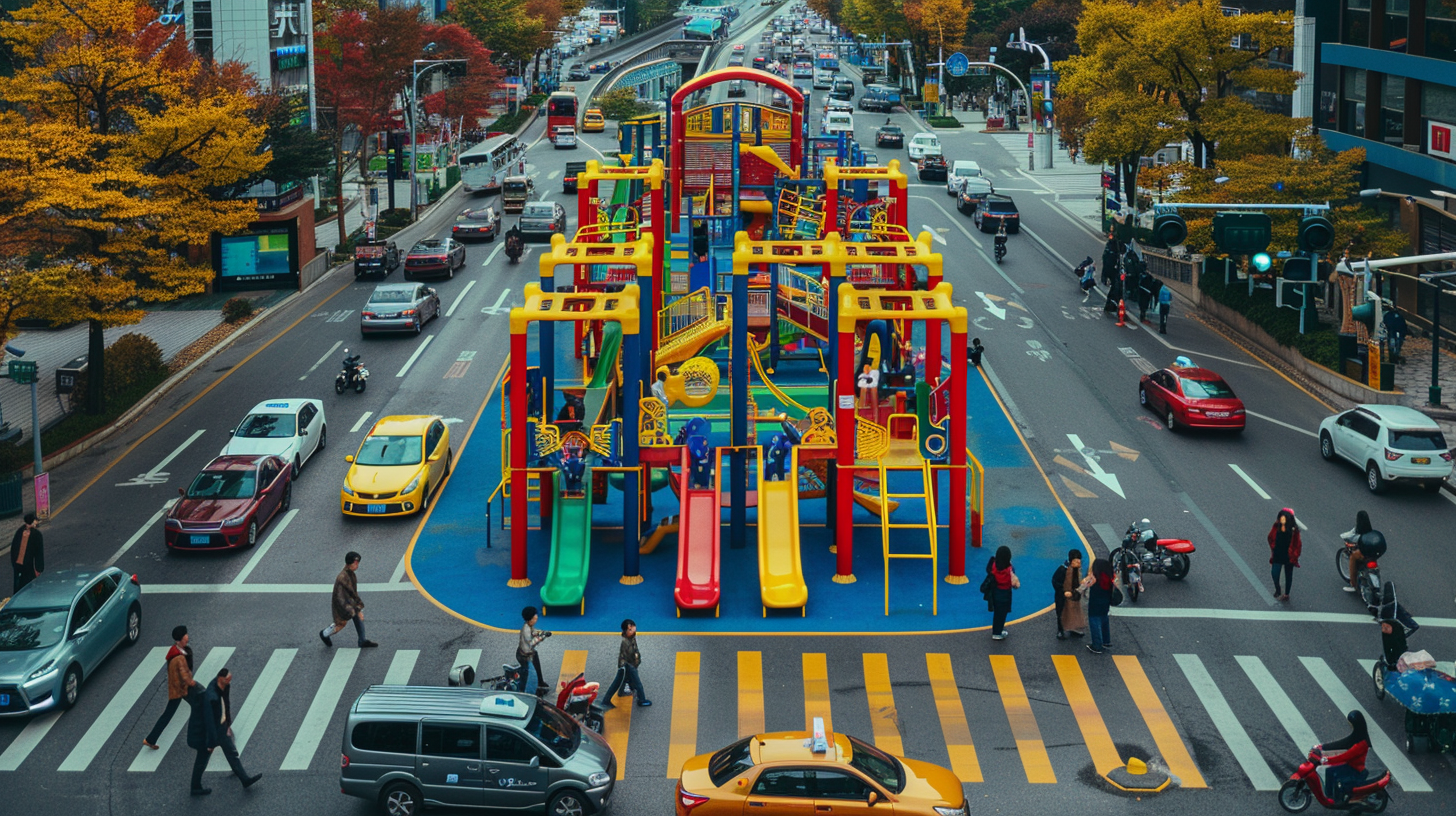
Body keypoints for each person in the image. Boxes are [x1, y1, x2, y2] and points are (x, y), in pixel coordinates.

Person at [186, 668, 261, 795]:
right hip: (209, 732)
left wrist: (227, 724)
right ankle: (195, 787)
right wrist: (210, 743)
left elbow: (226, 704)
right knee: (202, 760)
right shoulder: (211, 696)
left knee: (231, 752)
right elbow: (209, 721)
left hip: (221, 726)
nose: (229, 682)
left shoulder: (223, 686)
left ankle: (244, 779)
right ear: (220, 678)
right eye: (227, 680)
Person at [143, 625, 199, 750]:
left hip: (179, 688)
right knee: (198, 706)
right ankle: (202, 735)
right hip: (180, 689)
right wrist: (191, 682)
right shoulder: (178, 657)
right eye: (185, 634)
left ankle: (151, 739)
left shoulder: (178, 651)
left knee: (169, 714)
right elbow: (184, 674)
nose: (187, 636)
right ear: (180, 638)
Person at [320, 552, 377, 648]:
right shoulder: (344, 577)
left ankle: (362, 640)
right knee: (341, 624)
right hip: (342, 604)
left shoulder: (349, 574)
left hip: (347, 602)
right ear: (352, 563)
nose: (357, 565)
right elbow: (351, 594)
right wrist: (358, 609)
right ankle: (325, 633)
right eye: (356, 563)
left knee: (357, 616)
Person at [1317, 711, 1371, 805]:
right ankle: (1330, 797)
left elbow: (1344, 757)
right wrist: (1323, 747)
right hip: (1351, 766)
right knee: (1329, 772)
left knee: (1338, 780)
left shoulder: (1361, 744)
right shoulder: (1357, 736)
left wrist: (1327, 760)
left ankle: (1339, 802)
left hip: (1356, 770)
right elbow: (1343, 743)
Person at [600, 619, 652, 708]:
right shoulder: (625, 642)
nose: (633, 630)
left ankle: (617, 694)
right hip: (628, 666)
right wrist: (633, 664)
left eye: (633, 628)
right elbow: (628, 655)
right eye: (630, 629)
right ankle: (642, 699)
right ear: (626, 631)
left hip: (628, 665)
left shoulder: (631, 638)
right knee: (637, 683)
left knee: (622, 681)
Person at [1267, 507, 1302, 602]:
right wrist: (1274, 548)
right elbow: (1270, 537)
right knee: (1274, 573)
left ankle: (1286, 593)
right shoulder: (1276, 526)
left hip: (1289, 557)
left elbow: (1297, 545)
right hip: (1278, 554)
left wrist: (1294, 556)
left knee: (1288, 575)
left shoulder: (1294, 531)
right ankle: (1278, 589)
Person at [986, 546, 1019, 641]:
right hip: (1005, 593)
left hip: (995, 591)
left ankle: (997, 629)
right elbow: (1014, 583)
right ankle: (997, 632)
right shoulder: (1009, 569)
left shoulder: (993, 564)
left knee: (997, 612)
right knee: (1002, 614)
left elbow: (988, 570)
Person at [1051, 550, 1085, 639]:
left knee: (1074, 611)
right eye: (1076, 560)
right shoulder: (1062, 569)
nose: (1078, 562)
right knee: (1061, 612)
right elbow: (1055, 581)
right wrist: (1063, 591)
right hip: (1062, 596)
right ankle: (1060, 630)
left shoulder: (1077, 569)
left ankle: (1073, 627)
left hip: (1074, 594)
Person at [516, 607, 551, 695]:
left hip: (530, 653)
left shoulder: (529, 626)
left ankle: (540, 682)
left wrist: (542, 633)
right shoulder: (526, 630)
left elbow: (534, 632)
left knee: (536, 664)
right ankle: (529, 691)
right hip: (525, 656)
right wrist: (542, 637)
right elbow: (531, 643)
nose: (536, 619)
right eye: (535, 618)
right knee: (531, 675)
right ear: (530, 619)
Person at [1085, 558, 1115, 654]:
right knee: (1104, 619)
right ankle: (1106, 641)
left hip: (1095, 602)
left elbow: (1084, 585)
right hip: (1106, 602)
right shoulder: (1110, 577)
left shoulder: (1095, 578)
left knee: (1094, 621)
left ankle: (1097, 645)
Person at [1341, 511, 1375, 593]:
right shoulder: (1370, 531)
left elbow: (1352, 539)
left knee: (1353, 557)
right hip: (1374, 552)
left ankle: (1353, 584)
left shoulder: (1359, 532)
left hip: (1364, 553)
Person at [11, 511, 44, 594]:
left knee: (19, 587)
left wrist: (14, 564)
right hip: (28, 566)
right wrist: (39, 568)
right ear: (33, 521)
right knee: (29, 588)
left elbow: (13, 548)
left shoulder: (20, 531)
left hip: (18, 565)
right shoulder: (37, 534)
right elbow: (39, 553)